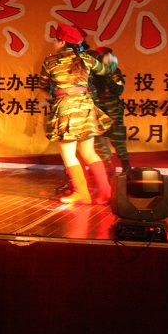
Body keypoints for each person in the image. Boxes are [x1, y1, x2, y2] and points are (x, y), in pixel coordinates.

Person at [38, 23, 117, 205]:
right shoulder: (86, 58)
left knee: (68, 154)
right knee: (88, 151)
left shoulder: (51, 61)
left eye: (56, 39)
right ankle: (106, 192)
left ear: (62, 42)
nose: (54, 42)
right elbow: (105, 71)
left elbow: (43, 83)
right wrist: (112, 62)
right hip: (85, 106)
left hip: (66, 108)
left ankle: (82, 193)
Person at [91, 46, 130, 174]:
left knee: (117, 138)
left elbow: (118, 90)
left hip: (113, 108)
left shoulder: (114, 72)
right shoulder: (92, 71)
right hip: (97, 107)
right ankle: (106, 168)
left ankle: (126, 167)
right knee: (97, 139)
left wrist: (107, 77)